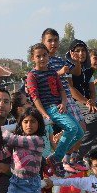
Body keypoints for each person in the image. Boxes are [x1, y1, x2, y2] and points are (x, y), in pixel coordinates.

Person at [25, 43, 83, 176]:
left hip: (60, 106)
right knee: (72, 128)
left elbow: (62, 90)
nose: (42, 58)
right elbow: (35, 98)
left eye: (44, 55)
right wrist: (44, 114)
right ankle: (56, 159)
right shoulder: (32, 75)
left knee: (79, 133)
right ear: (32, 58)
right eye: (38, 56)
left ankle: (54, 157)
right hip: (49, 108)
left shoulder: (52, 72)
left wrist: (64, 103)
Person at [68, 40, 97, 163]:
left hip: (87, 101)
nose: (81, 53)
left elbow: (92, 89)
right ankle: (76, 155)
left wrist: (92, 101)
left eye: (83, 50)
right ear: (71, 52)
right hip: (74, 101)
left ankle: (87, 153)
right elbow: (71, 89)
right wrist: (86, 102)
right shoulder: (68, 67)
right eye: (77, 51)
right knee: (95, 117)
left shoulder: (88, 69)